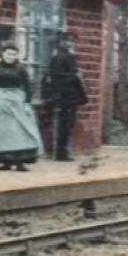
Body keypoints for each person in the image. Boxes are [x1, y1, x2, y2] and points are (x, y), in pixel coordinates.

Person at [0, 44, 42, 171]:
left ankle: (20, 162)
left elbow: (27, 85)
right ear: (3, 54)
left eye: (13, 54)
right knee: (2, 132)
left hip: (17, 100)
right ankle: (6, 161)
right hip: (1, 101)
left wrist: (27, 102)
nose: (11, 57)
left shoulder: (21, 69)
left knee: (21, 131)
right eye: (8, 54)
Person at [42, 32, 87, 162]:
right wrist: (75, 76)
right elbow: (58, 78)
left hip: (71, 97)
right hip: (63, 97)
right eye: (67, 41)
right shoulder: (58, 58)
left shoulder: (71, 57)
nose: (71, 44)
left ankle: (64, 151)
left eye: (72, 42)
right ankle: (61, 153)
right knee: (63, 125)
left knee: (69, 125)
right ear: (61, 43)